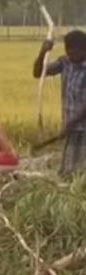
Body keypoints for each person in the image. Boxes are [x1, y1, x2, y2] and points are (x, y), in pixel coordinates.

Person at [34, 29, 86, 176]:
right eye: (67, 50)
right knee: (67, 171)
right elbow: (38, 73)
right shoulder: (65, 62)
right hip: (71, 126)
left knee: (79, 173)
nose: (70, 54)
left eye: (74, 51)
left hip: (82, 128)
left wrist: (70, 122)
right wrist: (43, 51)